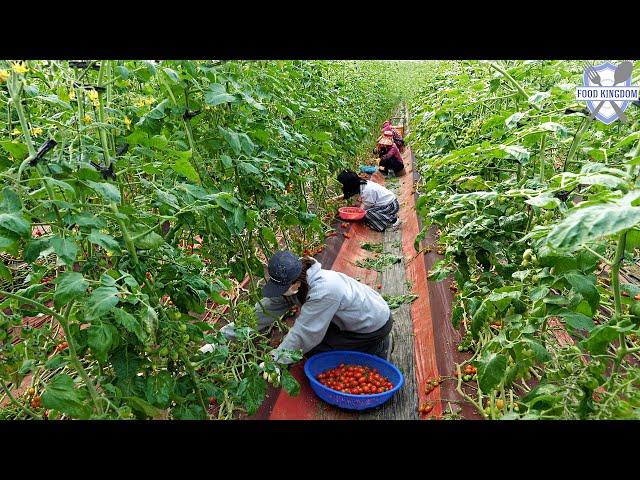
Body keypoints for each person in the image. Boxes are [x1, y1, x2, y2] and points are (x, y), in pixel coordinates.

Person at [213, 251, 394, 365]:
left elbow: (305, 333)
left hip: (373, 325)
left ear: (295, 284)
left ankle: (377, 346)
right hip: (353, 315)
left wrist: (275, 361)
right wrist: (220, 338)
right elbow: (262, 312)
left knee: (315, 351)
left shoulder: (325, 290)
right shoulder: (297, 279)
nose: (280, 293)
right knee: (305, 344)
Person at [333, 170, 401, 232]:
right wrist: (335, 199)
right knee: (366, 214)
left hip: (391, 206)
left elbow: (362, 210)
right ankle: (387, 216)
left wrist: (354, 214)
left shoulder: (367, 190)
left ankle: (394, 220)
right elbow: (350, 193)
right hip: (387, 204)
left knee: (366, 214)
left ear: (349, 185)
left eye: (343, 185)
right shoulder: (361, 183)